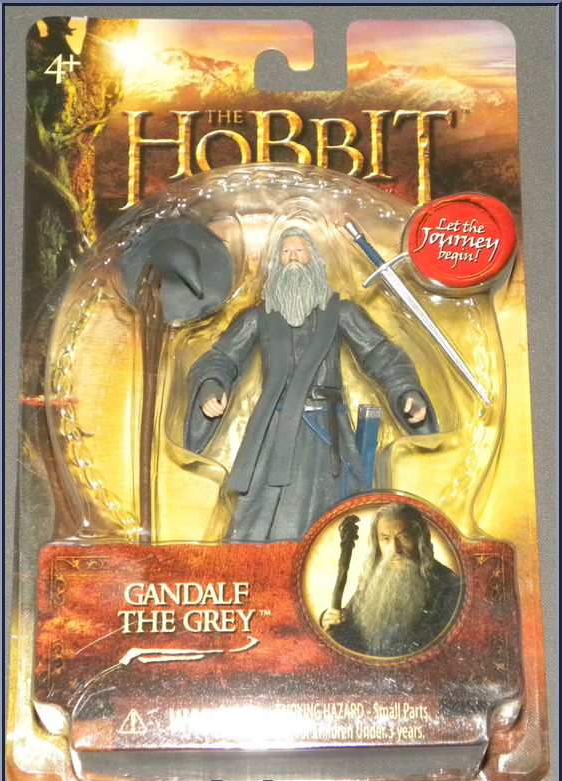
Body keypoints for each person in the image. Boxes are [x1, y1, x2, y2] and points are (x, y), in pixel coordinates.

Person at [184, 227, 438, 542]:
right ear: (276, 262)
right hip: (274, 430)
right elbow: (222, 357)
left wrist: (406, 391)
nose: (293, 257)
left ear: (314, 260)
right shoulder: (256, 318)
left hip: (327, 433)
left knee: (337, 511)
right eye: (286, 252)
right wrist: (212, 385)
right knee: (258, 512)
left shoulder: (342, 313)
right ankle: (253, 560)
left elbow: (381, 355)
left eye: (300, 251)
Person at [321, 503, 460, 656]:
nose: (394, 549)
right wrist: (331, 620)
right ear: (377, 543)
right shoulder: (374, 580)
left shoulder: (450, 587)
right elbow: (354, 632)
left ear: (419, 539)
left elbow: (422, 651)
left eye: (403, 537)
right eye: (385, 539)